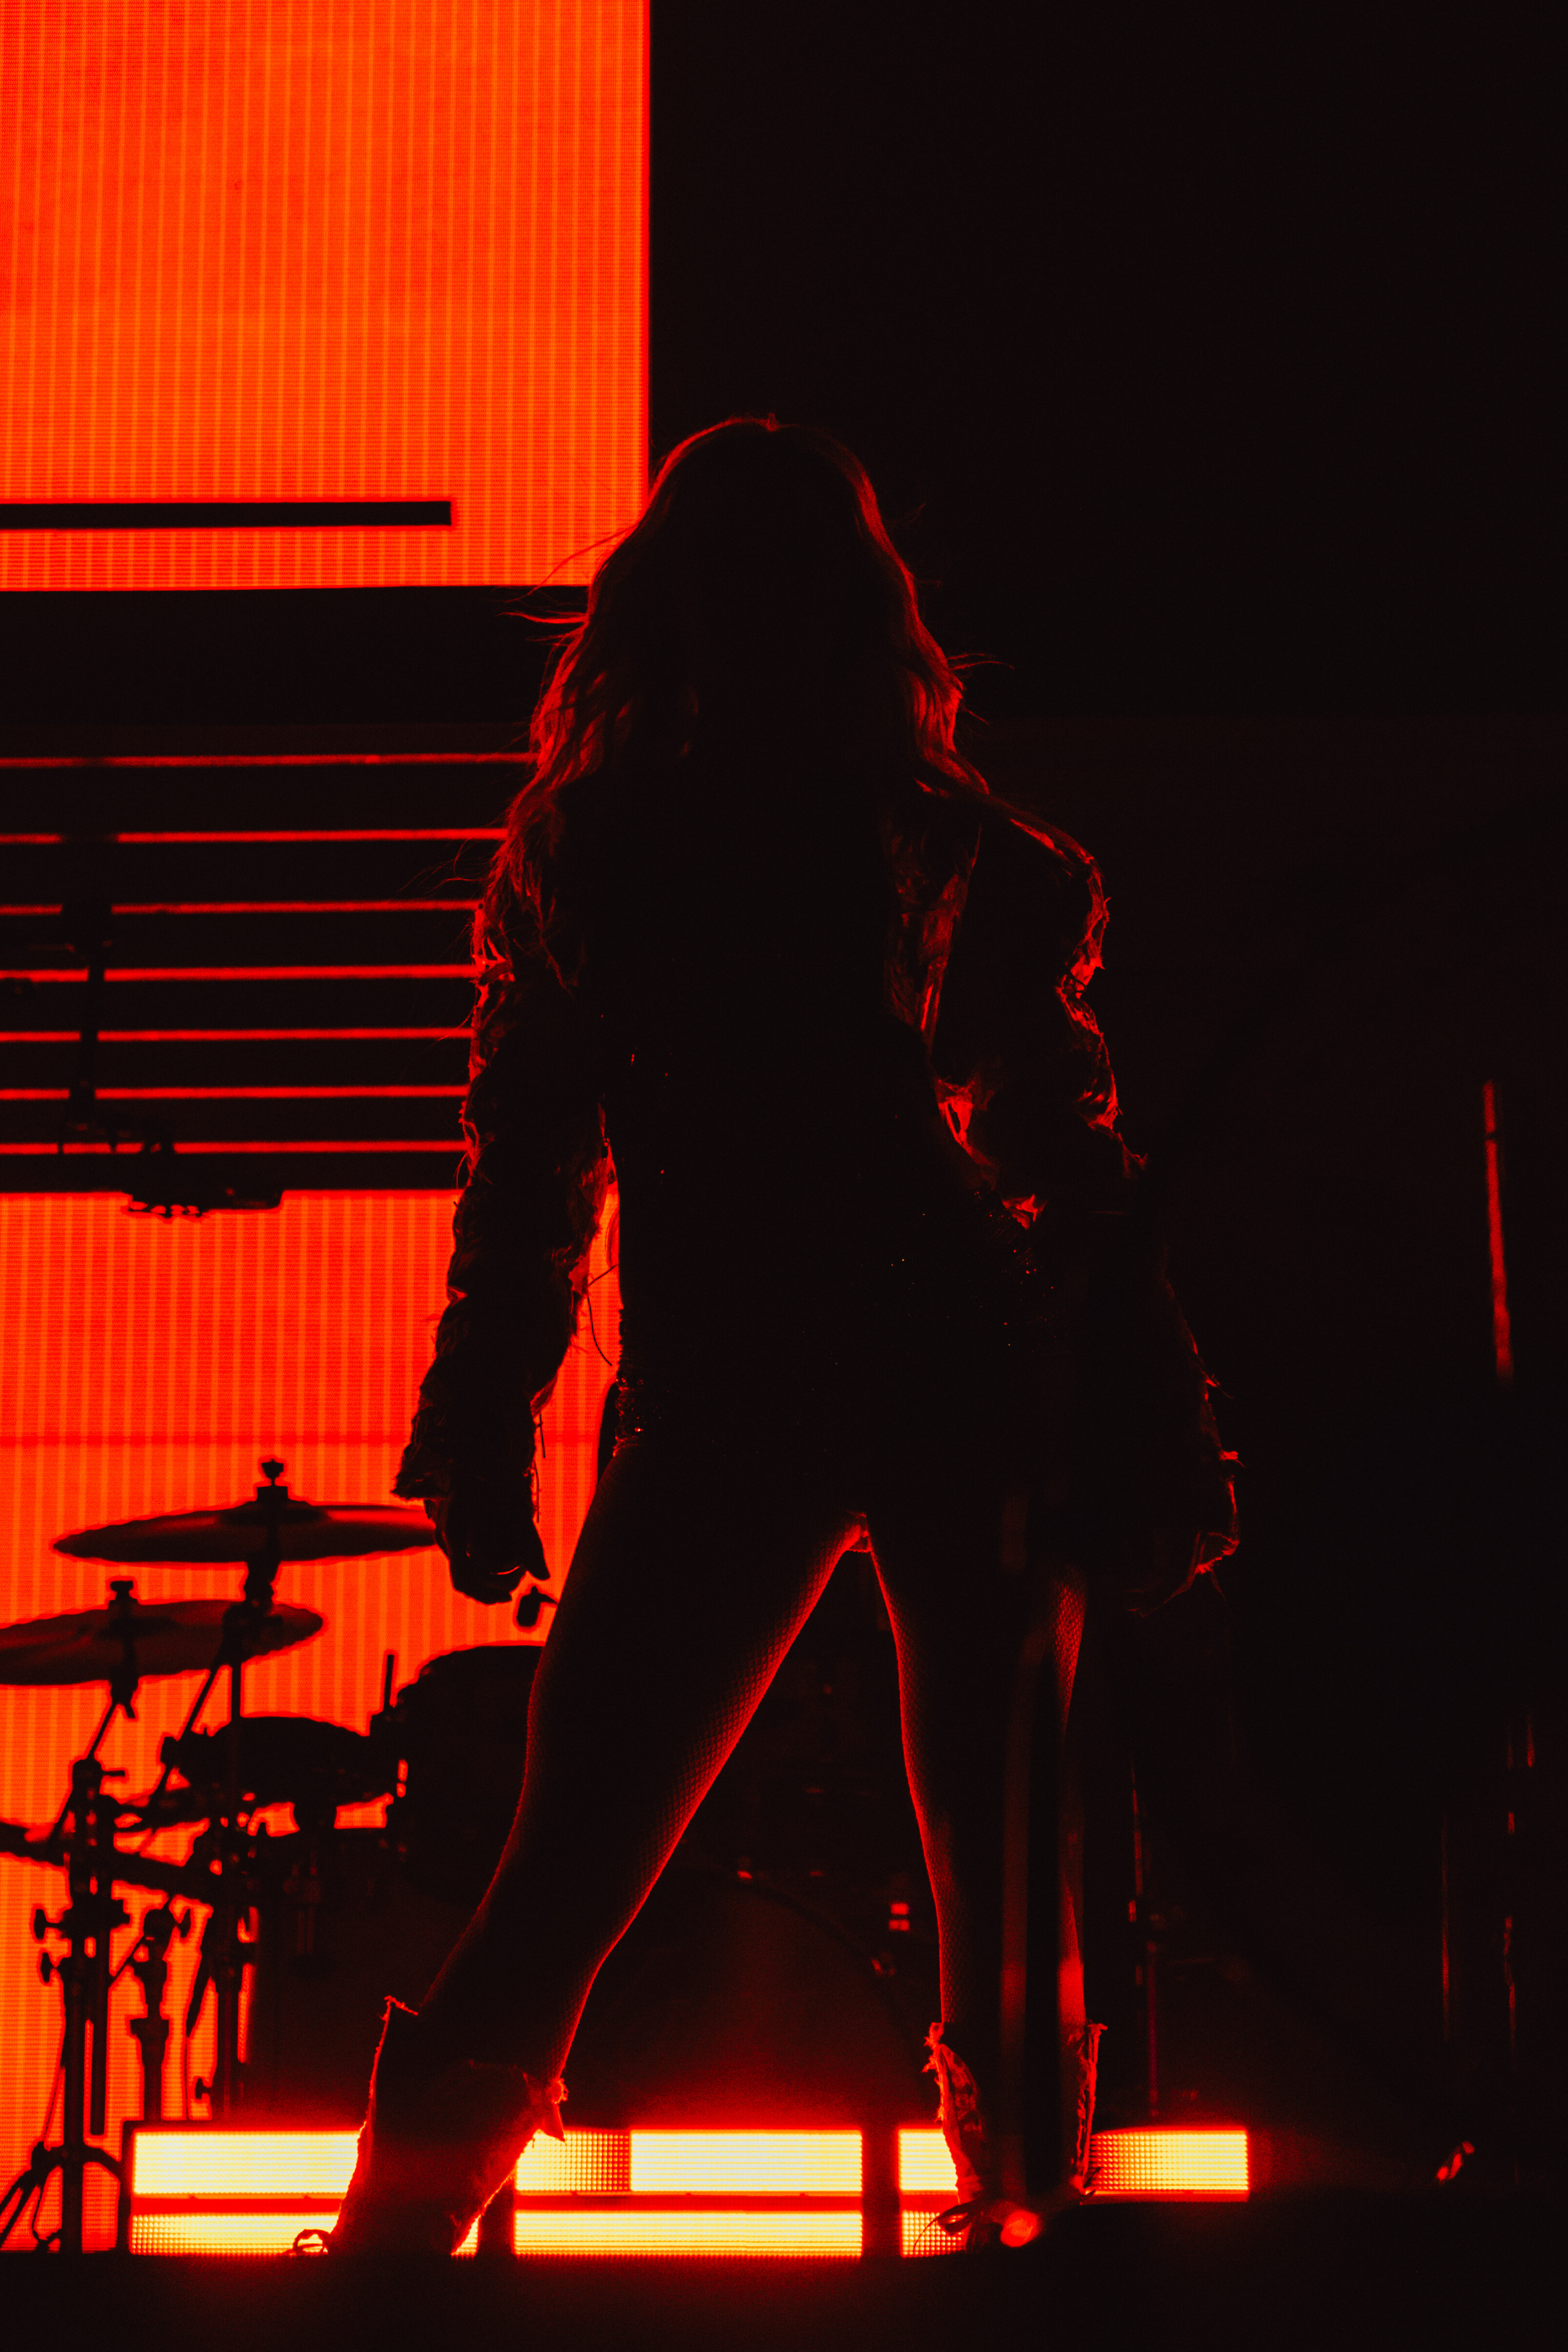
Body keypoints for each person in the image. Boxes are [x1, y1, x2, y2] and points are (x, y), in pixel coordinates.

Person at [329, 418, 1235, 2255]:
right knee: (990, 1865)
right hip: (920, 1354)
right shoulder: (925, 845)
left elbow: (531, 1175)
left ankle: (389, 2262)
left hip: (758, 1372)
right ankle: (1029, 2233)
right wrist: (1147, 1387)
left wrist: (484, 1414)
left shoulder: (610, 851)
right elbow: (1060, 1146)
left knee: (603, 1862)